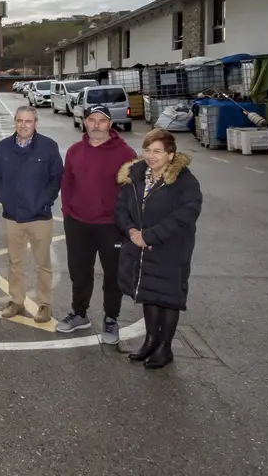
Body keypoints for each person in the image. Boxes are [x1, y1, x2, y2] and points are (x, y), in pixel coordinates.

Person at [116, 129, 202, 369]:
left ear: (171, 155)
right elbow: (121, 207)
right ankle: (151, 342)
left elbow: (186, 215)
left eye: (157, 151)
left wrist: (149, 236)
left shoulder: (184, 181)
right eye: (147, 150)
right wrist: (131, 231)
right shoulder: (135, 176)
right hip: (140, 246)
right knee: (149, 294)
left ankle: (165, 348)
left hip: (170, 249)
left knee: (168, 297)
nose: (151, 156)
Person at [57, 105, 137, 344]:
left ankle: (111, 318)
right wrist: (68, 213)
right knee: (79, 271)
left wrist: (125, 222)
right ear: (84, 122)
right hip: (78, 223)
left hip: (111, 225)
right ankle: (79, 314)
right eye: (91, 120)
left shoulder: (125, 153)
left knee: (112, 274)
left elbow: (132, 191)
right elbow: (67, 184)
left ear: (110, 124)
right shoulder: (74, 151)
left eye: (102, 120)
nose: (96, 125)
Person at [0, 106, 63, 322]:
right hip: (13, 217)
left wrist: (45, 201)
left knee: (43, 264)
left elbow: (56, 178)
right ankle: (16, 300)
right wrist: (5, 198)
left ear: (35, 123)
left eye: (28, 121)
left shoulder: (48, 147)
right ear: (15, 122)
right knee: (15, 262)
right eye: (20, 121)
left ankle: (44, 304)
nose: (23, 125)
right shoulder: (4, 147)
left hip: (40, 217)